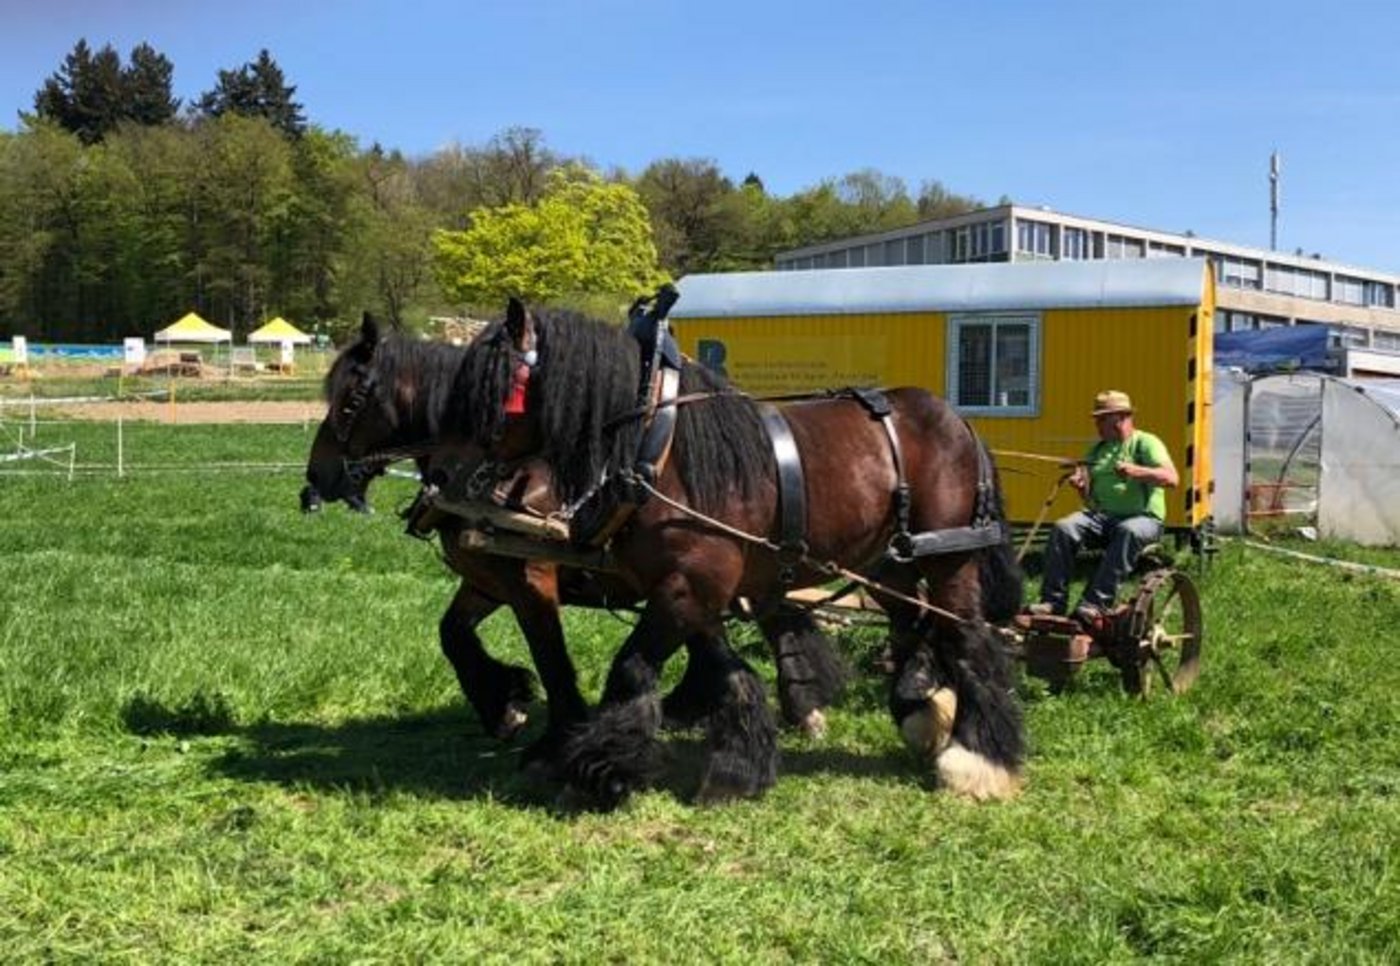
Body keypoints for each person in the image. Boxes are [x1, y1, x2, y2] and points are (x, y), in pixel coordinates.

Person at [1029, 389, 1179, 626]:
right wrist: (1081, 487)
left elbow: (1172, 478)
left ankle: (1094, 604)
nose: (1096, 424)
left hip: (1145, 519)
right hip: (1103, 518)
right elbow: (1090, 501)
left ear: (1120, 418)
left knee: (1128, 530)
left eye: (1101, 419)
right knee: (1064, 528)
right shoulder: (1097, 450)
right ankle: (1053, 602)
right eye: (1096, 419)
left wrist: (1136, 471)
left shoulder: (1145, 443)